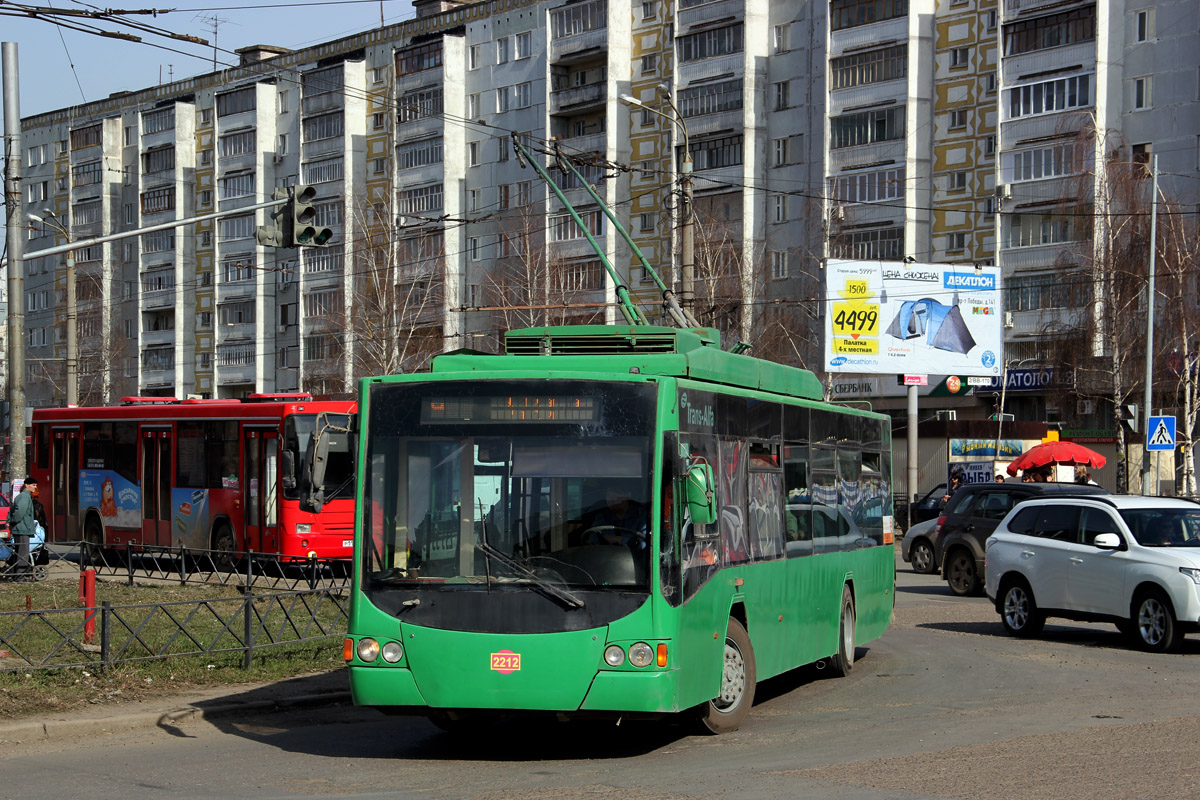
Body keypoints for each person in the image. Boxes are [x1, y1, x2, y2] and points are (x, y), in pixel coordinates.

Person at [583, 482, 648, 549]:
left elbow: (644, 544)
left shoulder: (641, 516)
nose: (611, 498)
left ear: (628, 495)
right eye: (608, 495)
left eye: (616, 493)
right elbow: (592, 540)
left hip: (634, 558)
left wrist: (619, 539)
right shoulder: (602, 517)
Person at [8, 477, 39, 576]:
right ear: (27, 485)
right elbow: (19, 512)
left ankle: (16, 574)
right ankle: (20, 576)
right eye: (33, 485)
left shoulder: (24, 496)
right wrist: (13, 521)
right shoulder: (25, 497)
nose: (35, 487)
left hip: (21, 528)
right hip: (22, 528)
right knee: (23, 554)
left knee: (20, 552)